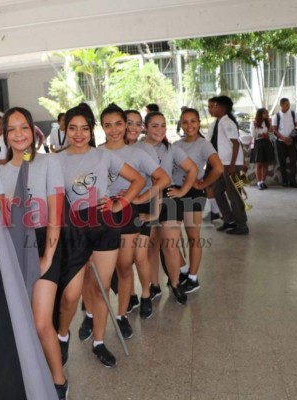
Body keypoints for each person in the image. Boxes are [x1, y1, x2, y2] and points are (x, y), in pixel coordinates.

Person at [57, 103, 145, 368]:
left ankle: (99, 341)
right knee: (72, 293)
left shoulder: (104, 156)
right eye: (73, 128)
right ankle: (62, 335)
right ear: (65, 129)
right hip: (75, 227)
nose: (79, 134)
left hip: (105, 225)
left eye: (84, 128)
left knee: (102, 287)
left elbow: (138, 180)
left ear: (91, 130)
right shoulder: (56, 159)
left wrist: (119, 204)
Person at [0, 107, 68, 400]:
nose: (18, 134)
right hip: (13, 246)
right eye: (11, 129)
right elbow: (3, 220)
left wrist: (47, 257)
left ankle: (59, 382)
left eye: (23, 127)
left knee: (40, 323)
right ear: (5, 135)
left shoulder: (49, 162)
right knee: (18, 323)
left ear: (33, 131)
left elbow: (56, 213)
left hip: (43, 242)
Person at [98, 104, 169, 327]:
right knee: (116, 264)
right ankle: (127, 300)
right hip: (107, 214)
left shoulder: (139, 152)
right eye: (108, 125)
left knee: (135, 259)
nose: (115, 129)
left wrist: (138, 198)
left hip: (135, 212)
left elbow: (163, 179)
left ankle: (145, 294)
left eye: (119, 124)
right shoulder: (98, 152)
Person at [137, 112, 198, 305]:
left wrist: (182, 191)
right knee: (151, 247)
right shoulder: (136, 148)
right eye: (154, 125)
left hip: (169, 199)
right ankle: (154, 285)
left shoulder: (170, 148)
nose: (159, 130)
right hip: (146, 197)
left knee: (171, 245)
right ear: (145, 127)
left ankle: (175, 283)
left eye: (163, 125)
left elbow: (192, 170)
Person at [174, 108, 224, 293]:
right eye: (185, 122)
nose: (189, 125)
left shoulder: (203, 144)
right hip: (175, 191)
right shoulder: (176, 144)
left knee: (192, 236)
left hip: (193, 195)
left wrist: (203, 184)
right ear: (180, 123)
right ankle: (183, 270)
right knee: (169, 237)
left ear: (199, 122)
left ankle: (193, 278)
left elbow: (218, 168)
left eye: (193, 121)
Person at [208, 96, 249, 235]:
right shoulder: (219, 122)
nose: (211, 109)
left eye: (213, 106)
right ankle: (229, 220)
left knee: (234, 195)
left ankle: (242, 225)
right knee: (217, 190)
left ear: (221, 107)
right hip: (222, 164)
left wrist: (233, 165)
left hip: (230, 165)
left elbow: (236, 144)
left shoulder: (227, 122)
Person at [272, 98, 297, 188]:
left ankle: (293, 181)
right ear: (281, 105)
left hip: (292, 142)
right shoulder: (276, 116)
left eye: (289, 104)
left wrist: (290, 137)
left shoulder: (293, 114)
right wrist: (283, 138)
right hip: (280, 143)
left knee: (293, 161)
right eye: (286, 104)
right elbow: (274, 130)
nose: (288, 106)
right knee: (282, 162)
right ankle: (284, 181)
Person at [250, 108, 275, 190]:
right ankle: (259, 182)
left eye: (267, 113)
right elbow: (253, 135)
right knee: (259, 163)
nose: (266, 114)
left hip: (267, 143)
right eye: (265, 113)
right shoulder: (254, 123)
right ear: (260, 114)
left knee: (265, 163)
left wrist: (270, 124)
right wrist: (262, 135)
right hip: (258, 143)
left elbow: (271, 133)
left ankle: (263, 182)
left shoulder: (267, 122)